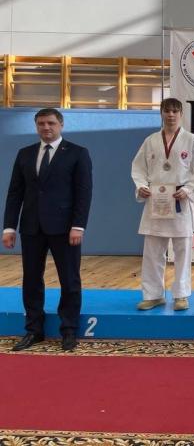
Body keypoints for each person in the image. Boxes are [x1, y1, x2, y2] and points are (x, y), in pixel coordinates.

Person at [2, 108, 93, 351]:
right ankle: (34, 330)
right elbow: (15, 193)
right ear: (36, 126)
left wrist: (78, 226)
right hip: (31, 227)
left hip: (65, 228)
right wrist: (9, 227)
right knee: (31, 280)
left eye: (51, 123)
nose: (46, 127)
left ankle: (69, 330)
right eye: (41, 123)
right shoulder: (25, 154)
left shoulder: (77, 153)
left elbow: (83, 193)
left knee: (69, 280)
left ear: (61, 125)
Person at [131, 98, 194, 311]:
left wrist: (189, 189)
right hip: (156, 200)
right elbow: (138, 167)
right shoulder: (150, 141)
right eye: (167, 111)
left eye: (175, 111)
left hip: (179, 200)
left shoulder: (191, 141)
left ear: (181, 114)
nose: (171, 115)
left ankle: (181, 295)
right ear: (161, 113)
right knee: (153, 251)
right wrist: (141, 186)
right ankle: (153, 295)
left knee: (182, 251)